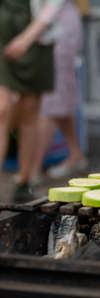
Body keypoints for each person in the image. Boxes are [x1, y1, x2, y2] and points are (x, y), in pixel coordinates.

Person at [0, 0, 65, 201]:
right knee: (1, 110)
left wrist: (27, 38)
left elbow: (54, 4)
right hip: (2, 34)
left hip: (36, 37)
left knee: (29, 110)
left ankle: (24, 182)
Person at [31, 0, 86, 180]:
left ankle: (33, 171)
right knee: (61, 100)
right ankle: (76, 155)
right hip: (53, 30)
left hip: (58, 32)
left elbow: (51, 7)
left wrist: (26, 38)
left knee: (51, 103)